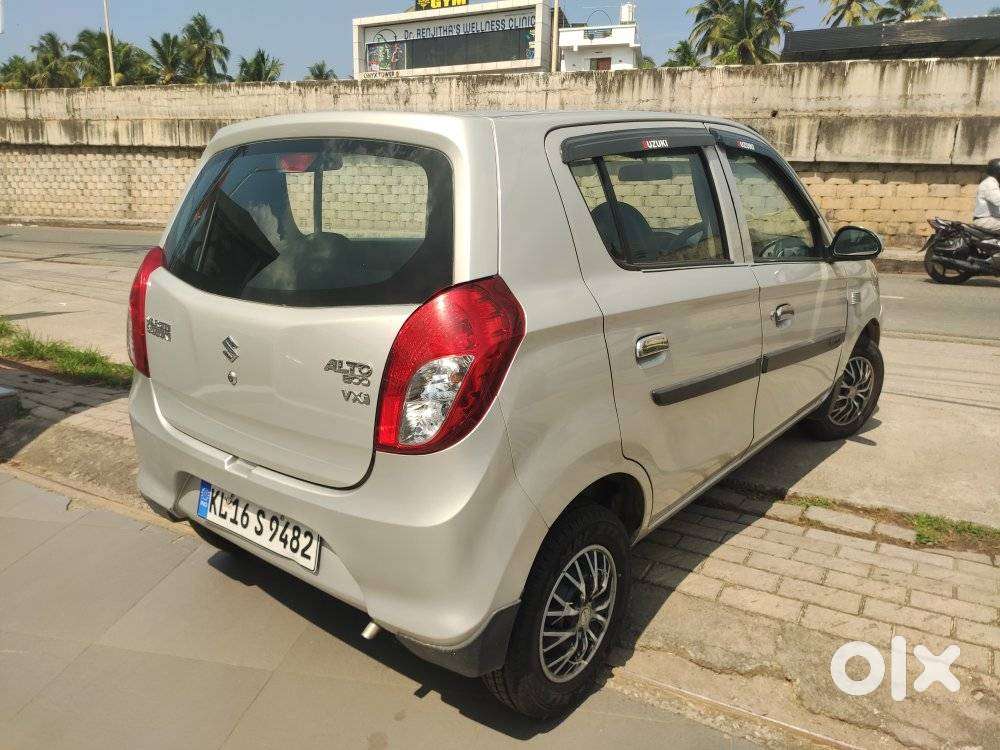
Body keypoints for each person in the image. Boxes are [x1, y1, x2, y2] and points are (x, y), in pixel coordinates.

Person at [973, 158, 1000, 233]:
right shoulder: (989, 184)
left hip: (992, 219)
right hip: (985, 221)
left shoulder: (994, 183)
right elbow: (998, 201)